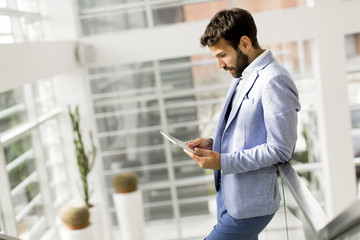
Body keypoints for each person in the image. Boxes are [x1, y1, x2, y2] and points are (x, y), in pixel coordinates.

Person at [184, 8, 301, 240]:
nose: (220, 64)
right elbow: (248, 133)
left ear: (245, 43)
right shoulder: (242, 76)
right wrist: (214, 143)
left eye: (222, 55)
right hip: (229, 196)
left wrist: (223, 160)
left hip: (249, 207)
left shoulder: (274, 80)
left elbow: (280, 149)